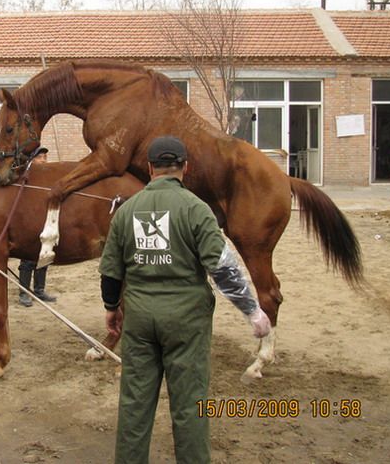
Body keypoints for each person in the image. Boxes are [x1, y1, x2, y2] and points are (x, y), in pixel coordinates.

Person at [99, 136, 271, 464]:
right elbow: (223, 268)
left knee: (134, 403)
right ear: (185, 168)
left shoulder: (127, 211)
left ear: (150, 168)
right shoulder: (196, 210)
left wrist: (111, 309)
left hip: (140, 320)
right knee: (190, 404)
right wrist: (252, 311)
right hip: (186, 322)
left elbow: (110, 273)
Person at [18, 150, 56, 307]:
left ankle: (39, 290)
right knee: (28, 257)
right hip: (28, 221)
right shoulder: (25, 176)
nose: (43, 160)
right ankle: (24, 292)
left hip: (45, 219)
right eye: (39, 157)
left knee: (44, 255)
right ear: (31, 160)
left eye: (45, 157)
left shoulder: (47, 177)